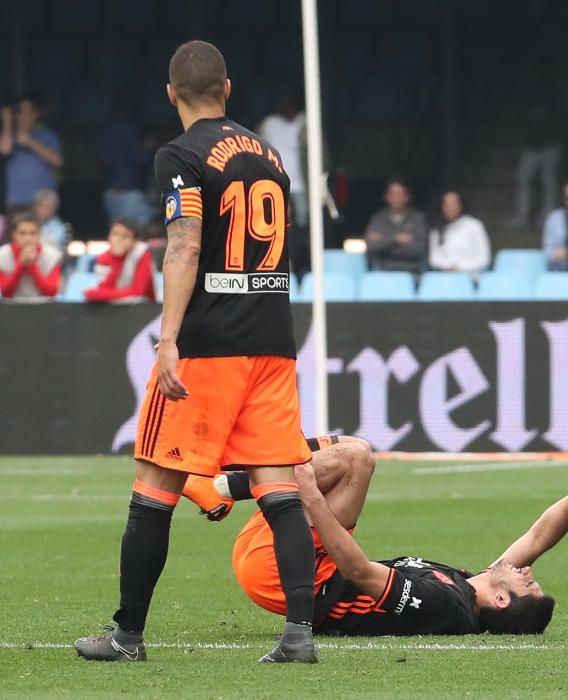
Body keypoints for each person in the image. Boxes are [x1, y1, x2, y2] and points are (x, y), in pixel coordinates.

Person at [75, 40, 317, 665]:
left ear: (170, 93)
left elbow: (183, 247)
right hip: (272, 340)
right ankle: (298, 636)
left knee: (153, 485)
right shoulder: (269, 156)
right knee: (277, 487)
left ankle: (128, 636)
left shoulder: (180, 155)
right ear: (228, 89)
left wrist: (168, 338)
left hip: (211, 344)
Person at [186, 440, 568, 637]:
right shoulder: (465, 584)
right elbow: (538, 536)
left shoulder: (447, 607)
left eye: (528, 583)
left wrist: (312, 499)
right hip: (296, 558)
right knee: (351, 451)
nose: (527, 570)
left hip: (291, 575)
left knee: (355, 459)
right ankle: (224, 476)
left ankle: (237, 480)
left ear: (502, 601)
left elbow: (358, 571)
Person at [0, 94, 63, 221]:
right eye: (19, 112)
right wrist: (7, 123)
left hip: (44, 203)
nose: (23, 116)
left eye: (27, 111)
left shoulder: (47, 135)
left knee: (45, 240)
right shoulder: (8, 136)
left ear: (35, 114)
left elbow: (58, 161)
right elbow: (4, 150)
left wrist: (30, 142)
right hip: (16, 201)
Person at [100, 90, 154, 227]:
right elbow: (141, 157)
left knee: (119, 233)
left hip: (111, 189)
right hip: (129, 189)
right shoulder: (130, 126)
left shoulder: (106, 125)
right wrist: (149, 147)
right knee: (134, 233)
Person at [258, 87, 307, 230]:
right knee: (276, 223)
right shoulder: (269, 123)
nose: (285, 104)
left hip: (300, 185)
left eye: (288, 101)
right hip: (276, 183)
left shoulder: (305, 122)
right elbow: (257, 151)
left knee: (303, 223)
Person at [365, 178, 428, 275]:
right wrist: (396, 238)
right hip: (383, 271)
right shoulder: (378, 219)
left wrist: (384, 240)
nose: (396, 198)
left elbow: (419, 249)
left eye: (400, 194)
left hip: (412, 274)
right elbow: (371, 246)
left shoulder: (418, 219)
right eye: (393, 194)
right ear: (386, 197)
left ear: (407, 197)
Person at [84, 219, 155, 303]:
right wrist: (117, 259)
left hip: (144, 307)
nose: (119, 239)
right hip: (113, 307)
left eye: (125, 236)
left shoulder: (142, 253)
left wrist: (96, 294)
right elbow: (105, 288)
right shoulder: (103, 257)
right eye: (115, 234)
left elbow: (138, 292)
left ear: (135, 241)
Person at [429, 190, 491, 279]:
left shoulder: (474, 226)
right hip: (445, 278)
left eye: (453, 203)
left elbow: (484, 259)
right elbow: (434, 259)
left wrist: (459, 267)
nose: (449, 207)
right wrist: (449, 267)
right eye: (446, 204)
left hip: (471, 279)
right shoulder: (436, 229)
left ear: (461, 205)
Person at [0, 213, 61, 300]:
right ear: (14, 235)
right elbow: (5, 292)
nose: (28, 238)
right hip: (12, 309)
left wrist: (32, 266)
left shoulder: (52, 256)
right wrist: (20, 265)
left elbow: (51, 293)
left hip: (43, 309)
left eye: (32, 233)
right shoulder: (2, 255)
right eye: (22, 233)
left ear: (39, 235)